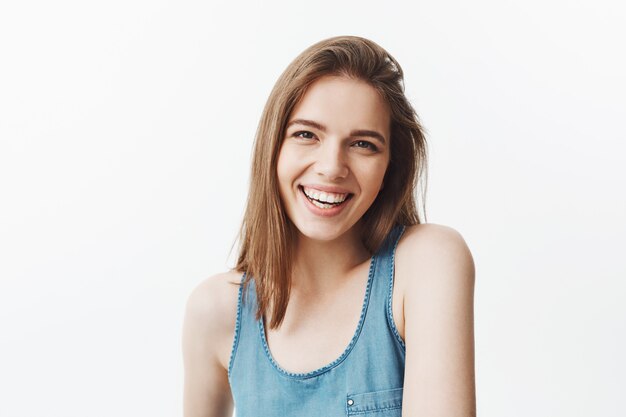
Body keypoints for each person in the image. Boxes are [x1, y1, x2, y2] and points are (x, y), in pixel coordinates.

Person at [182, 35, 476, 417]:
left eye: (363, 144)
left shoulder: (426, 263)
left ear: (390, 168)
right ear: (273, 148)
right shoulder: (215, 311)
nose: (331, 167)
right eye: (306, 134)